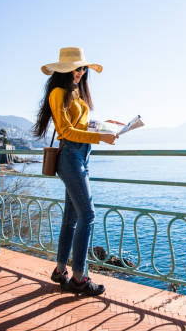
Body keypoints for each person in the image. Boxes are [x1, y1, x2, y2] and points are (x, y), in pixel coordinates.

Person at [33, 47, 121, 296]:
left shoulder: (74, 93)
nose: (81, 73)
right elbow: (67, 131)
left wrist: (105, 124)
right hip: (71, 156)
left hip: (81, 155)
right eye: (77, 68)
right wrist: (101, 137)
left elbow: (81, 125)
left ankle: (61, 270)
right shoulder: (58, 92)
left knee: (72, 217)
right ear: (65, 70)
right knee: (88, 214)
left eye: (84, 68)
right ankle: (80, 278)